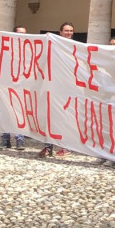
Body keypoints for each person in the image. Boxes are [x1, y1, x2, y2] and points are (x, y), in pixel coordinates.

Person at [38, 23, 75, 158]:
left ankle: (66, 147)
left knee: (64, 118)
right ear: (60, 32)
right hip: (53, 86)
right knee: (49, 117)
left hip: (67, 87)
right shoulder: (53, 45)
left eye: (71, 31)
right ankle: (48, 147)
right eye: (66, 31)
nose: (68, 33)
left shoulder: (77, 48)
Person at [0, 26, 28, 150]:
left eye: (24, 33)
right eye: (19, 33)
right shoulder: (5, 49)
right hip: (6, 85)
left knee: (20, 113)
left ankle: (20, 139)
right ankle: (5, 139)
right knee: (5, 111)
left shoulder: (28, 50)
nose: (21, 35)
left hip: (21, 85)